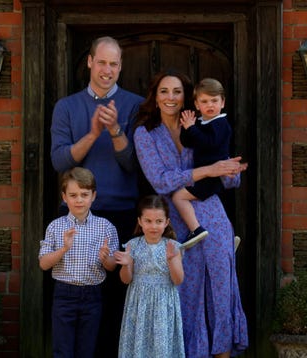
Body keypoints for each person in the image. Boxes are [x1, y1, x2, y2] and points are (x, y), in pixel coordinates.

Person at [133, 69, 249, 358]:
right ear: (155, 97)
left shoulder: (202, 123)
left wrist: (230, 171)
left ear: (188, 98)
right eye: (164, 91)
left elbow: (227, 176)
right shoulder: (145, 133)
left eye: (177, 91)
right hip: (175, 221)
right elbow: (160, 180)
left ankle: (223, 353)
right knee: (186, 295)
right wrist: (209, 170)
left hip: (213, 214)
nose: (170, 97)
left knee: (222, 291)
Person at [50, 36, 144, 357]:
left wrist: (116, 130)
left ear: (121, 67)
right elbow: (60, 161)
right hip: (76, 215)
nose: (107, 70)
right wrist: (92, 134)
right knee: (74, 302)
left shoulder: (136, 105)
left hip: (120, 214)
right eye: (101, 62)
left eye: (113, 64)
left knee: (115, 302)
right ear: (90, 62)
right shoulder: (67, 106)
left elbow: (133, 165)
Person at [38, 167, 119, 357]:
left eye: (84, 194)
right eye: (73, 195)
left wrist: (106, 258)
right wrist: (64, 249)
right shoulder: (56, 226)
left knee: (87, 350)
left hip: (93, 294)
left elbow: (112, 266)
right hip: (64, 294)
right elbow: (43, 264)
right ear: (64, 197)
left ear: (93, 196)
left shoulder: (105, 227)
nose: (79, 200)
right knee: (62, 350)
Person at [114, 195, 185, 358]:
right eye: (148, 221)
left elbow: (178, 280)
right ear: (140, 221)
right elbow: (126, 279)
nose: (153, 226)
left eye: (159, 221)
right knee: (139, 346)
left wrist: (172, 260)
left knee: (161, 347)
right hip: (139, 304)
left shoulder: (173, 247)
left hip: (163, 304)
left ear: (166, 222)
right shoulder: (133, 245)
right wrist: (126, 264)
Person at [172, 78, 232, 249]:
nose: (210, 105)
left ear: (223, 102)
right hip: (204, 175)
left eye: (214, 100)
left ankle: (196, 230)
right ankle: (223, 240)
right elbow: (188, 142)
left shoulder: (221, 124)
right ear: (197, 105)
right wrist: (186, 127)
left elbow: (209, 143)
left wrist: (192, 128)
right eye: (204, 101)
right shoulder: (202, 123)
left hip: (212, 177)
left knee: (178, 197)